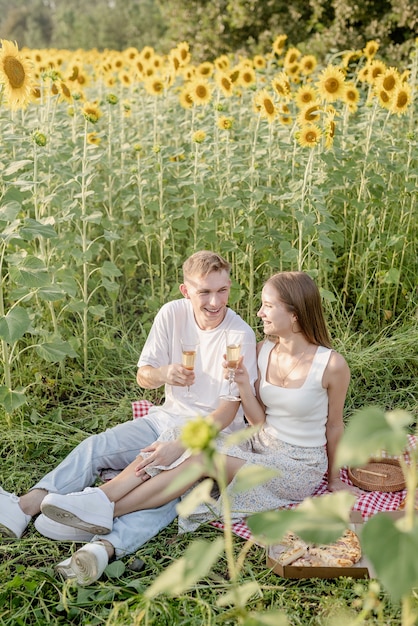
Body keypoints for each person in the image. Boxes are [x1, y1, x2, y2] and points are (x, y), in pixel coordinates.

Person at [40, 271, 358, 585]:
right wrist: (245, 385)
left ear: (296, 313)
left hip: (297, 466)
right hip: (259, 444)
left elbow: (334, 426)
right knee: (181, 435)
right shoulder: (263, 351)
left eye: (267, 305)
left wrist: (334, 479)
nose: (259, 312)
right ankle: (99, 501)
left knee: (201, 461)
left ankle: (103, 512)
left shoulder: (331, 365)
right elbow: (259, 421)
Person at [0, 251, 258, 565]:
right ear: (185, 290)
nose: (215, 302)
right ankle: (23, 508)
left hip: (209, 436)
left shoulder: (239, 335)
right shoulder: (171, 314)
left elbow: (227, 413)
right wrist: (165, 373)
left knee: (166, 486)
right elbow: (144, 376)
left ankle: (102, 545)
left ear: (230, 287)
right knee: (97, 446)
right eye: (205, 292)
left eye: (222, 291)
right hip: (164, 419)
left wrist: (179, 446)